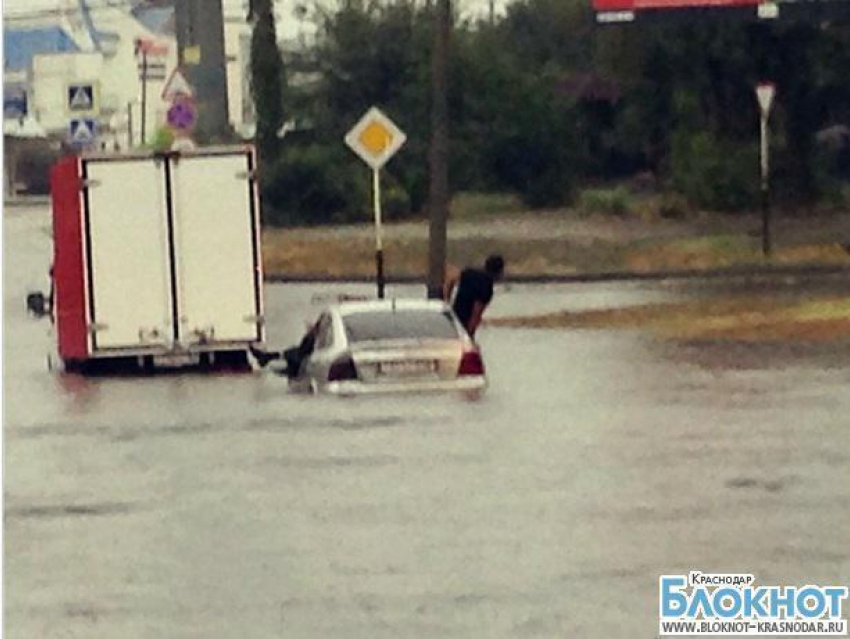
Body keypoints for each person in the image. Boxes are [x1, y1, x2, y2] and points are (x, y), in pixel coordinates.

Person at [444, 254, 505, 338]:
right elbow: (476, 313)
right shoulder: (487, 287)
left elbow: (451, 279)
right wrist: (469, 334)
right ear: (499, 272)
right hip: (464, 323)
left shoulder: (469, 273)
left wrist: (446, 300)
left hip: (453, 317)